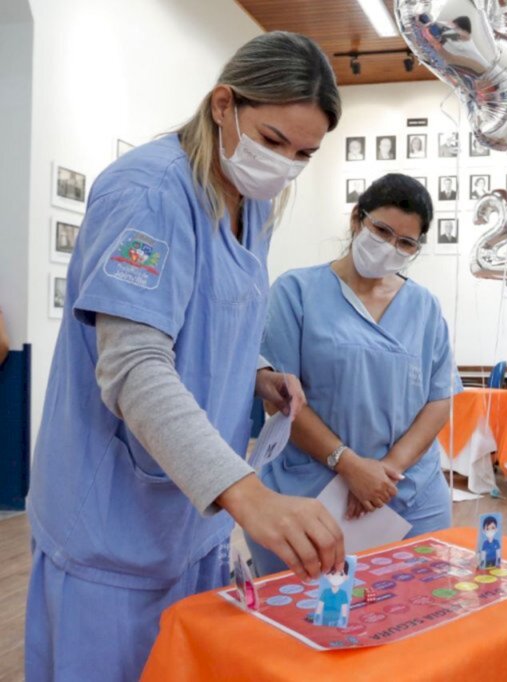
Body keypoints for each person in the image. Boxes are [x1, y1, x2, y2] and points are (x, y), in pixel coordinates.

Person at [24, 32, 347, 682]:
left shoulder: (251, 203)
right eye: (275, 140)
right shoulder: (148, 195)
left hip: (193, 519)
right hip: (115, 528)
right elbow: (134, 365)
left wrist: (257, 374)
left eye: (304, 154)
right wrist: (249, 496)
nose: (285, 164)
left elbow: (209, 313)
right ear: (223, 104)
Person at [247, 173, 460, 575]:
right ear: (356, 219)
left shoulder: (424, 307)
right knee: (304, 618)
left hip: (409, 492)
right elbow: (281, 399)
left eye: (406, 243)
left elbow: (439, 398)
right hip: (312, 490)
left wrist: (385, 473)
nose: (390, 247)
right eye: (382, 230)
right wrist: (350, 466)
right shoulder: (296, 292)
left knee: (417, 615)